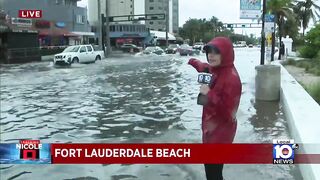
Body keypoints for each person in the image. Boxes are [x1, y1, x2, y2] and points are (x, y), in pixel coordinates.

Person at [188, 37, 242, 180]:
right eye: (209, 52)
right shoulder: (217, 69)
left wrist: (209, 94)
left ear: (225, 54)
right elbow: (205, 67)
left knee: (213, 174)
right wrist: (193, 62)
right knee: (212, 172)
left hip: (220, 137)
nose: (211, 55)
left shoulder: (232, 79)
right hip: (211, 132)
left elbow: (228, 114)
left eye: (216, 52)